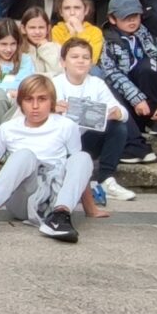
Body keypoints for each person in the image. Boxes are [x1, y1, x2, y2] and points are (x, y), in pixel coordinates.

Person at [0, 75, 89, 241]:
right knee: (24, 155)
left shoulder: (66, 125)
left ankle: (60, 218)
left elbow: (79, 171)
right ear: (20, 103)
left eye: (42, 99)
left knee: (82, 157)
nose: (35, 106)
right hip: (23, 200)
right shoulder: (8, 129)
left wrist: (91, 209)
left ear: (52, 102)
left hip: (55, 199)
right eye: (28, 99)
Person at [97, 0, 157, 162]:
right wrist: (136, 98)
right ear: (112, 19)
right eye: (125, 17)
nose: (131, 21)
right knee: (108, 87)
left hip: (154, 102)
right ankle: (135, 143)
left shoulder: (152, 40)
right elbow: (111, 73)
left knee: (147, 67)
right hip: (129, 103)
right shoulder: (107, 43)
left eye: (135, 16)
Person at [50, 37, 131, 213]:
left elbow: (123, 113)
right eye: (75, 57)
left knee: (118, 127)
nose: (80, 61)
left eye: (85, 57)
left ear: (91, 63)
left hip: (86, 139)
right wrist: (52, 108)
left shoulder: (96, 84)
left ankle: (106, 179)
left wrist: (116, 113)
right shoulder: (54, 84)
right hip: (62, 143)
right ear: (63, 62)